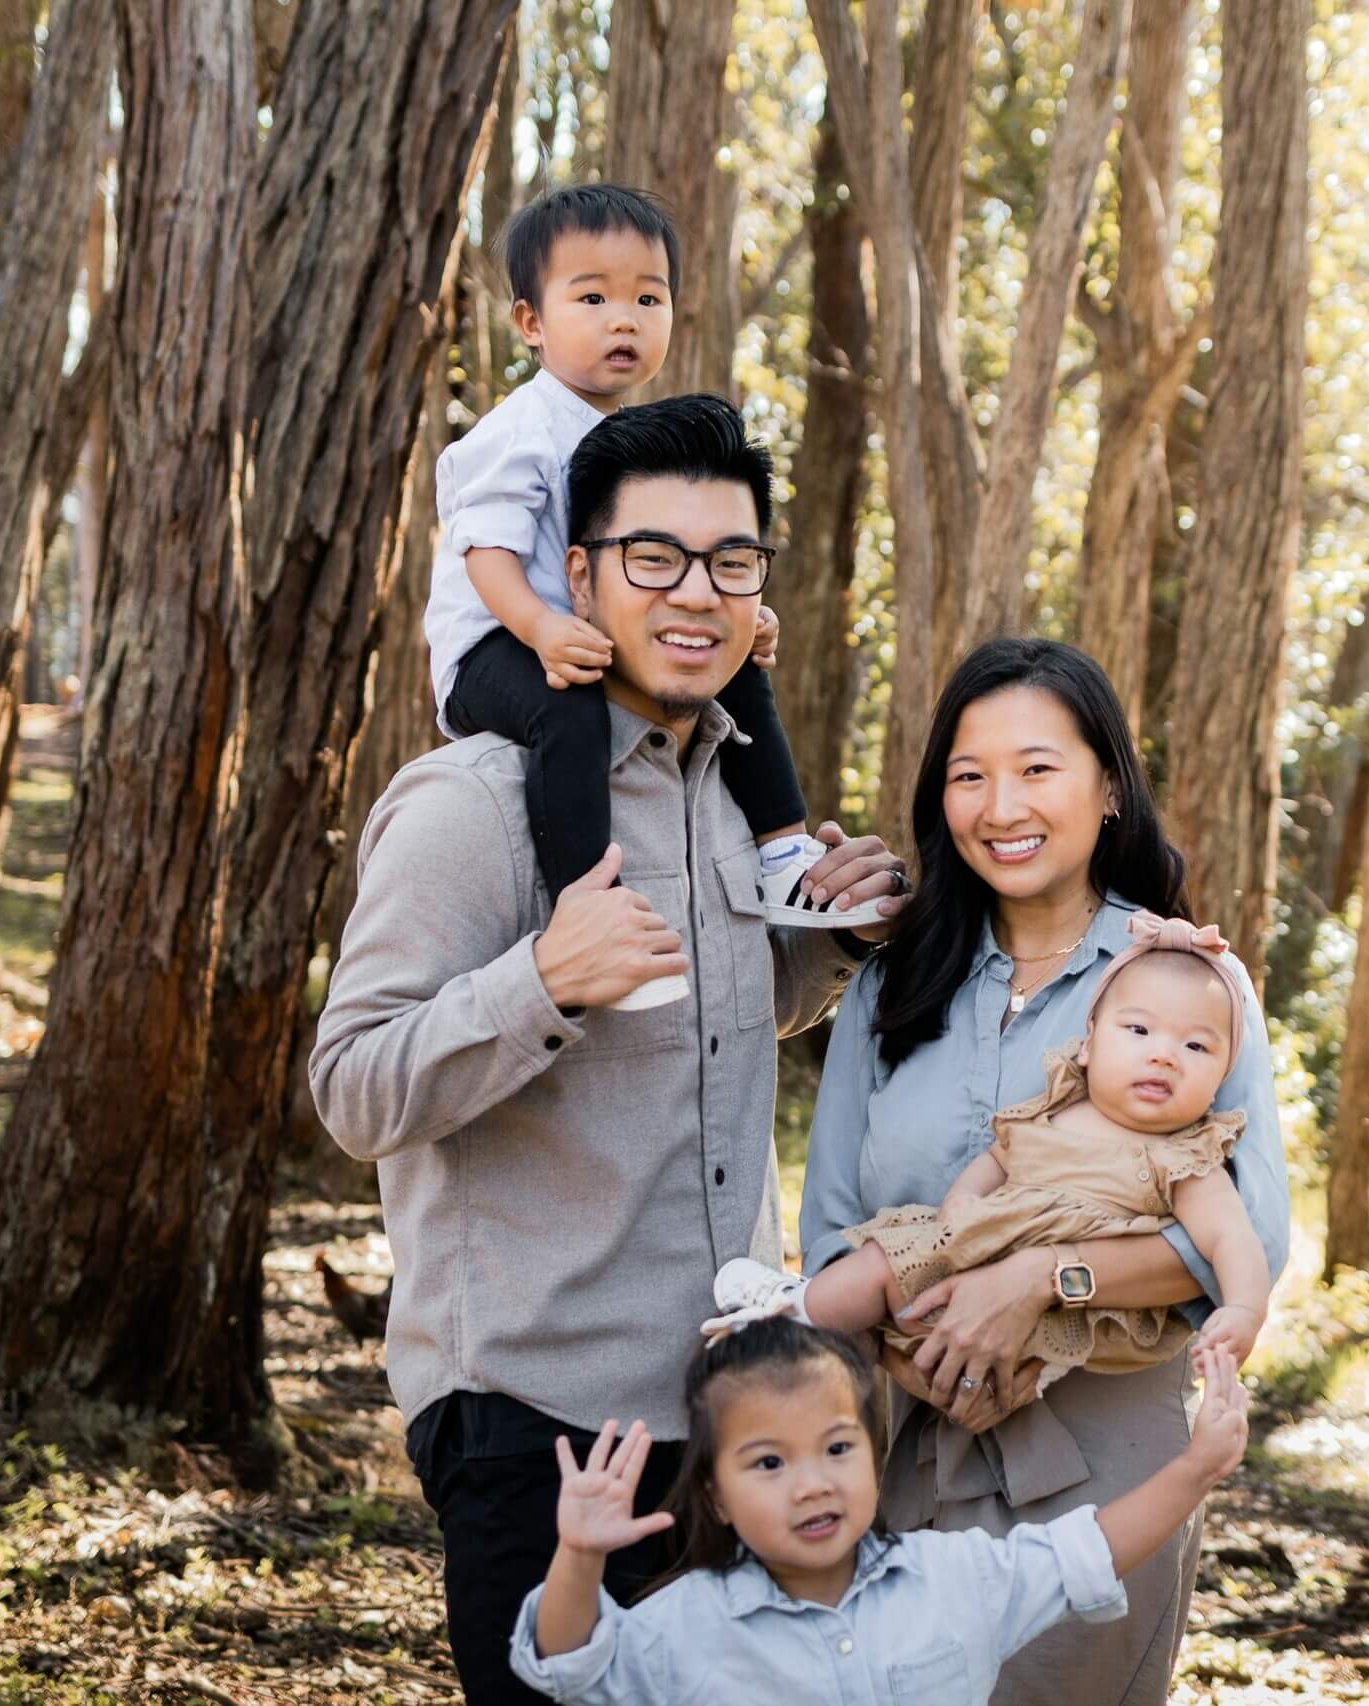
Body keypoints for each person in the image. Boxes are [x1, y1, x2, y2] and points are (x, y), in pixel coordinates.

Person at [311, 395, 910, 1706]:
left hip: (732, 1409)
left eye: (731, 561)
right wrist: (538, 978)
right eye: (654, 557)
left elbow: (718, 1016)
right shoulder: (473, 804)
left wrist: (838, 937)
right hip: (537, 1422)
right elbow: (352, 1088)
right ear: (575, 575)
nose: (697, 593)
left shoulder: (736, 803)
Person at [797, 635, 1291, 1706]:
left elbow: (1246, 1233)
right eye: (968, 775)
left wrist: (1037, 1281)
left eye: (1036, 768)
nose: (999, 804)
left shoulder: (1184, 977)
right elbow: (833, 1214)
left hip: (1101, 1456)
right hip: (900, 1437)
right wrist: (905, 1338)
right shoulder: (890, 983)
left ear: (1107, 785)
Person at [420, 184, 856, 1010]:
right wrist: (542, 628)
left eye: (647, 298)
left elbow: (664, 567)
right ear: (531, 323)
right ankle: (589, 907)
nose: (623, 319)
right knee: (573, 711)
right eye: (592, 297)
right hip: (495, 644)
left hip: (574, 631)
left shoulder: (628, 441)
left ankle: (783, 848)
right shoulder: (517, 431)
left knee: (731, 676)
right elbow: (486, 555)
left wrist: (739, 613)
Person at [508, 1318, 1253, 1705]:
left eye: (837, 1449)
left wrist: (1196, 1469)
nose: (812, 1484)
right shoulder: (689, 1624)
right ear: (715, 1497)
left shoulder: (953, 1576)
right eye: (769, 1463)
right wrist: (579, 1555)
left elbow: (1084, 1553)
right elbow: (571, 1667)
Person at [704, 911, 1272, 1416]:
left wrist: (1244, 1311)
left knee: (900, 1275)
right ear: (1090, 1042)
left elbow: (1235, 1242)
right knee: (886, 1260)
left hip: (1070, 1319)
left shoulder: (1185, 1159)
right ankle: (795, 1311)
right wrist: (957, 1216)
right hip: (970, 1265)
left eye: (1196, 1047)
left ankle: (794, 1314)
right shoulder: (1056, 1109)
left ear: (1224, 1072)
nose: (1163, 1054)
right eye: (1140, 1031)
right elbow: (996, 1160)